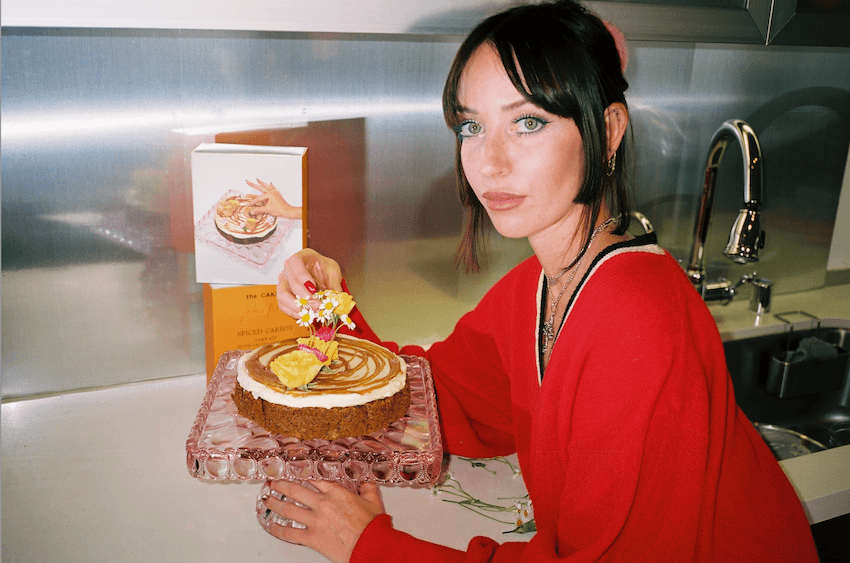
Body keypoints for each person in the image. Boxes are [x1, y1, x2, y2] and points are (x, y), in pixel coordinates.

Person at [263, 1, 819, 561]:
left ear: (607, 130)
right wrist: (325, 307)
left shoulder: (637, 321)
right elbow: (442, 400)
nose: (489, 163)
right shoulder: (537, 288)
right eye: (471, 126)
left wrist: (371, 546)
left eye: (528, 122)